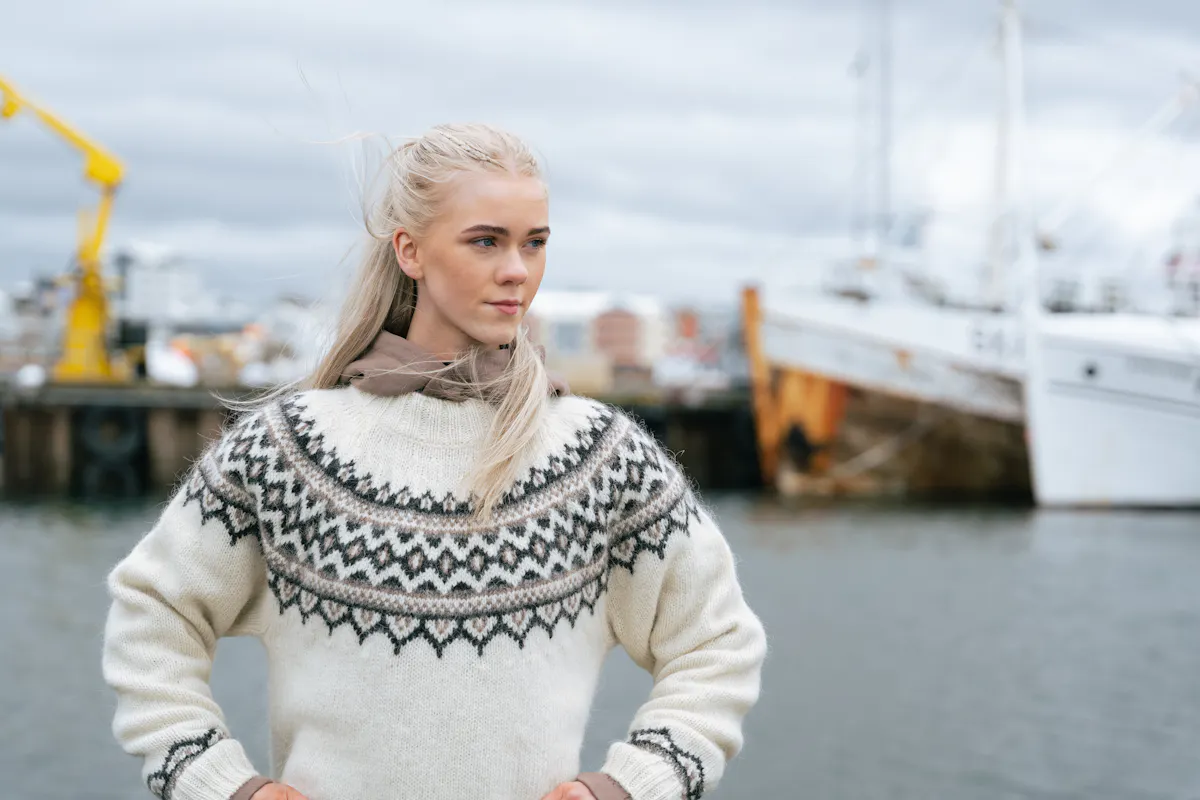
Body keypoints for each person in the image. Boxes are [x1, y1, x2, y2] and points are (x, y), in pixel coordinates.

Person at [101, 123, 767, 800]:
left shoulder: (597, 457)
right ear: (410, 251)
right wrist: (222, 786)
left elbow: (716, 644)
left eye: (535, 243)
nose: (517, 270)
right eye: (486, 241)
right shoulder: (289, 450)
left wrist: (631, 785)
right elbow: (152, 615)